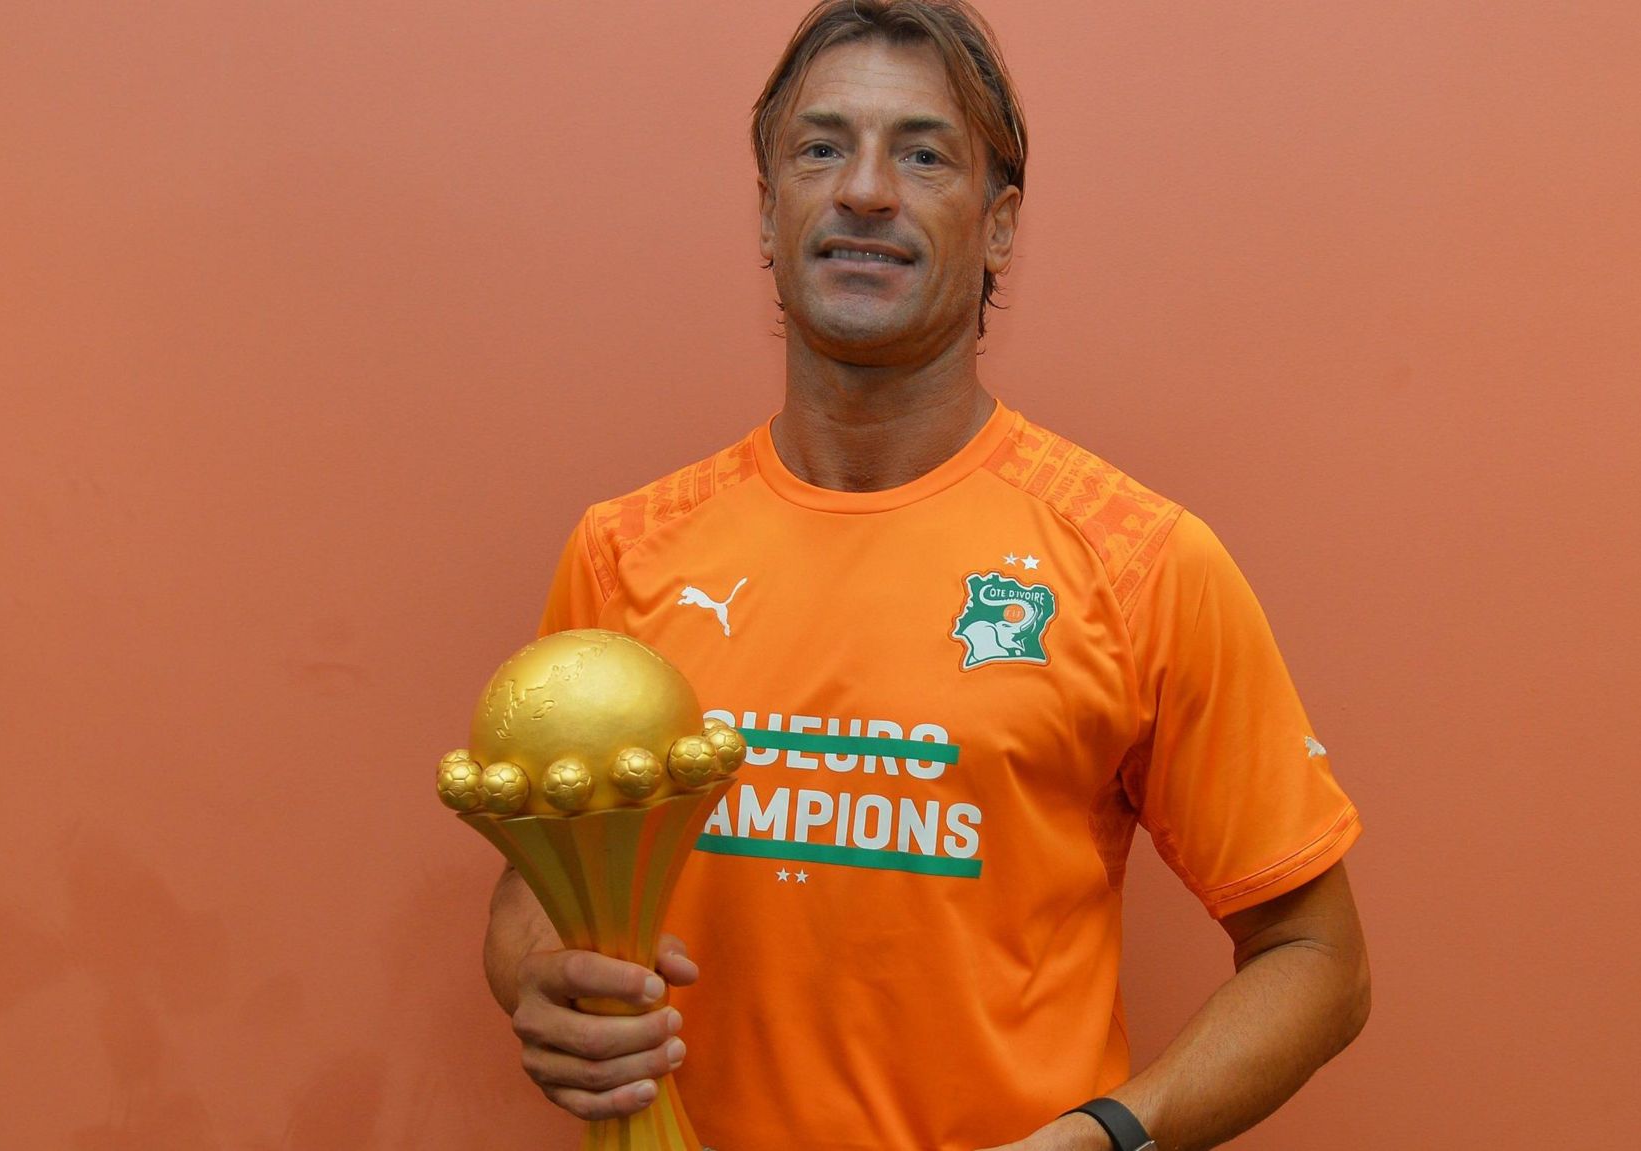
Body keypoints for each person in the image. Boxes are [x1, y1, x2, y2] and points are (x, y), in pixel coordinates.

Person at [481, 2, 1370, 1147]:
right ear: (766, 213)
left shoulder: (1137, 561)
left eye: (920, 153)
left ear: (998, 228)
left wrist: (1107, 1133)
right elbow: (527, 892)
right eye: (819, 148)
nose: (862, 189)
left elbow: (1319, 960)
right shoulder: (623, 552)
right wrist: (539, 980)